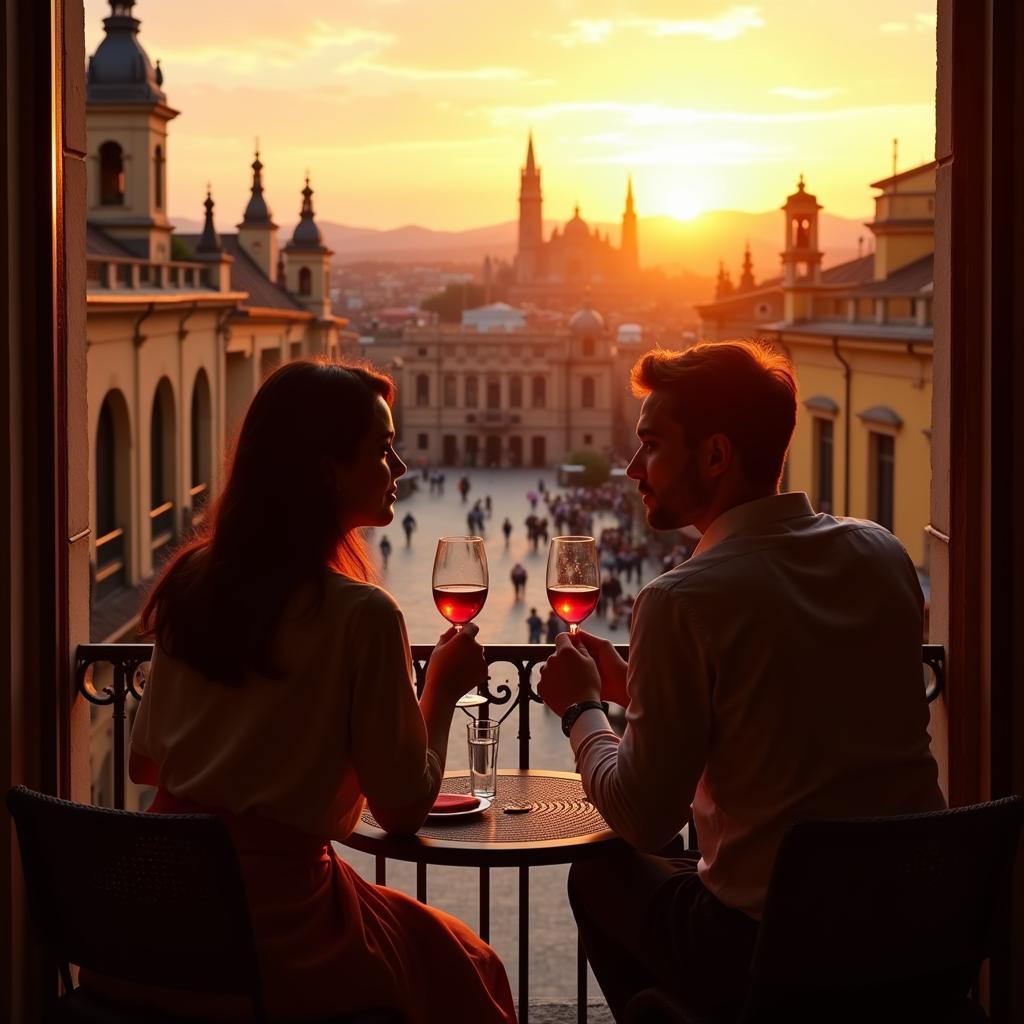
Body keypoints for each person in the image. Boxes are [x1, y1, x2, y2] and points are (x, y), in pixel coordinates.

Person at [537, 341, 944, 1023]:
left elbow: (644, 815)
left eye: (652, 446)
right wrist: (640, 688)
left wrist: (581, 708)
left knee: (602, 872)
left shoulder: (684, 599)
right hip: (914, 932)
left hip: (774, 950)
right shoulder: (880, 552)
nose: (633, 468)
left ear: (716, 456)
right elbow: (792, 702)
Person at [118, 361, 516, 1024]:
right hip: (277, 929)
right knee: (473, 967)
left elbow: (144, 764)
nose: (402, 467)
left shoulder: (192, 579)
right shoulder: (362, 614)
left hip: (157, 922)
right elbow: (402, 809)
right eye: (383, 449)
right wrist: (441, 690)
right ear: (328, 467)